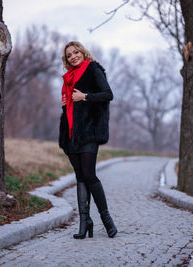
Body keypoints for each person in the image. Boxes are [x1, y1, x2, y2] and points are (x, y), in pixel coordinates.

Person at [59, 41, 117, 239]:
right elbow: (70, 107)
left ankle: (106, 219)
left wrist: (85, 96)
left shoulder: (92, 68)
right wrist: (65, 104)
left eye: (76, 52)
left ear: (83, 52)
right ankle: (85, 222)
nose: (73, 56)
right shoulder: (68, 78)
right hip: (72, 133)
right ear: (66, 60)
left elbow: (108, 94)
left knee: (89, 174)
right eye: (69, 55)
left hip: (90, 131)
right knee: (80, 177)